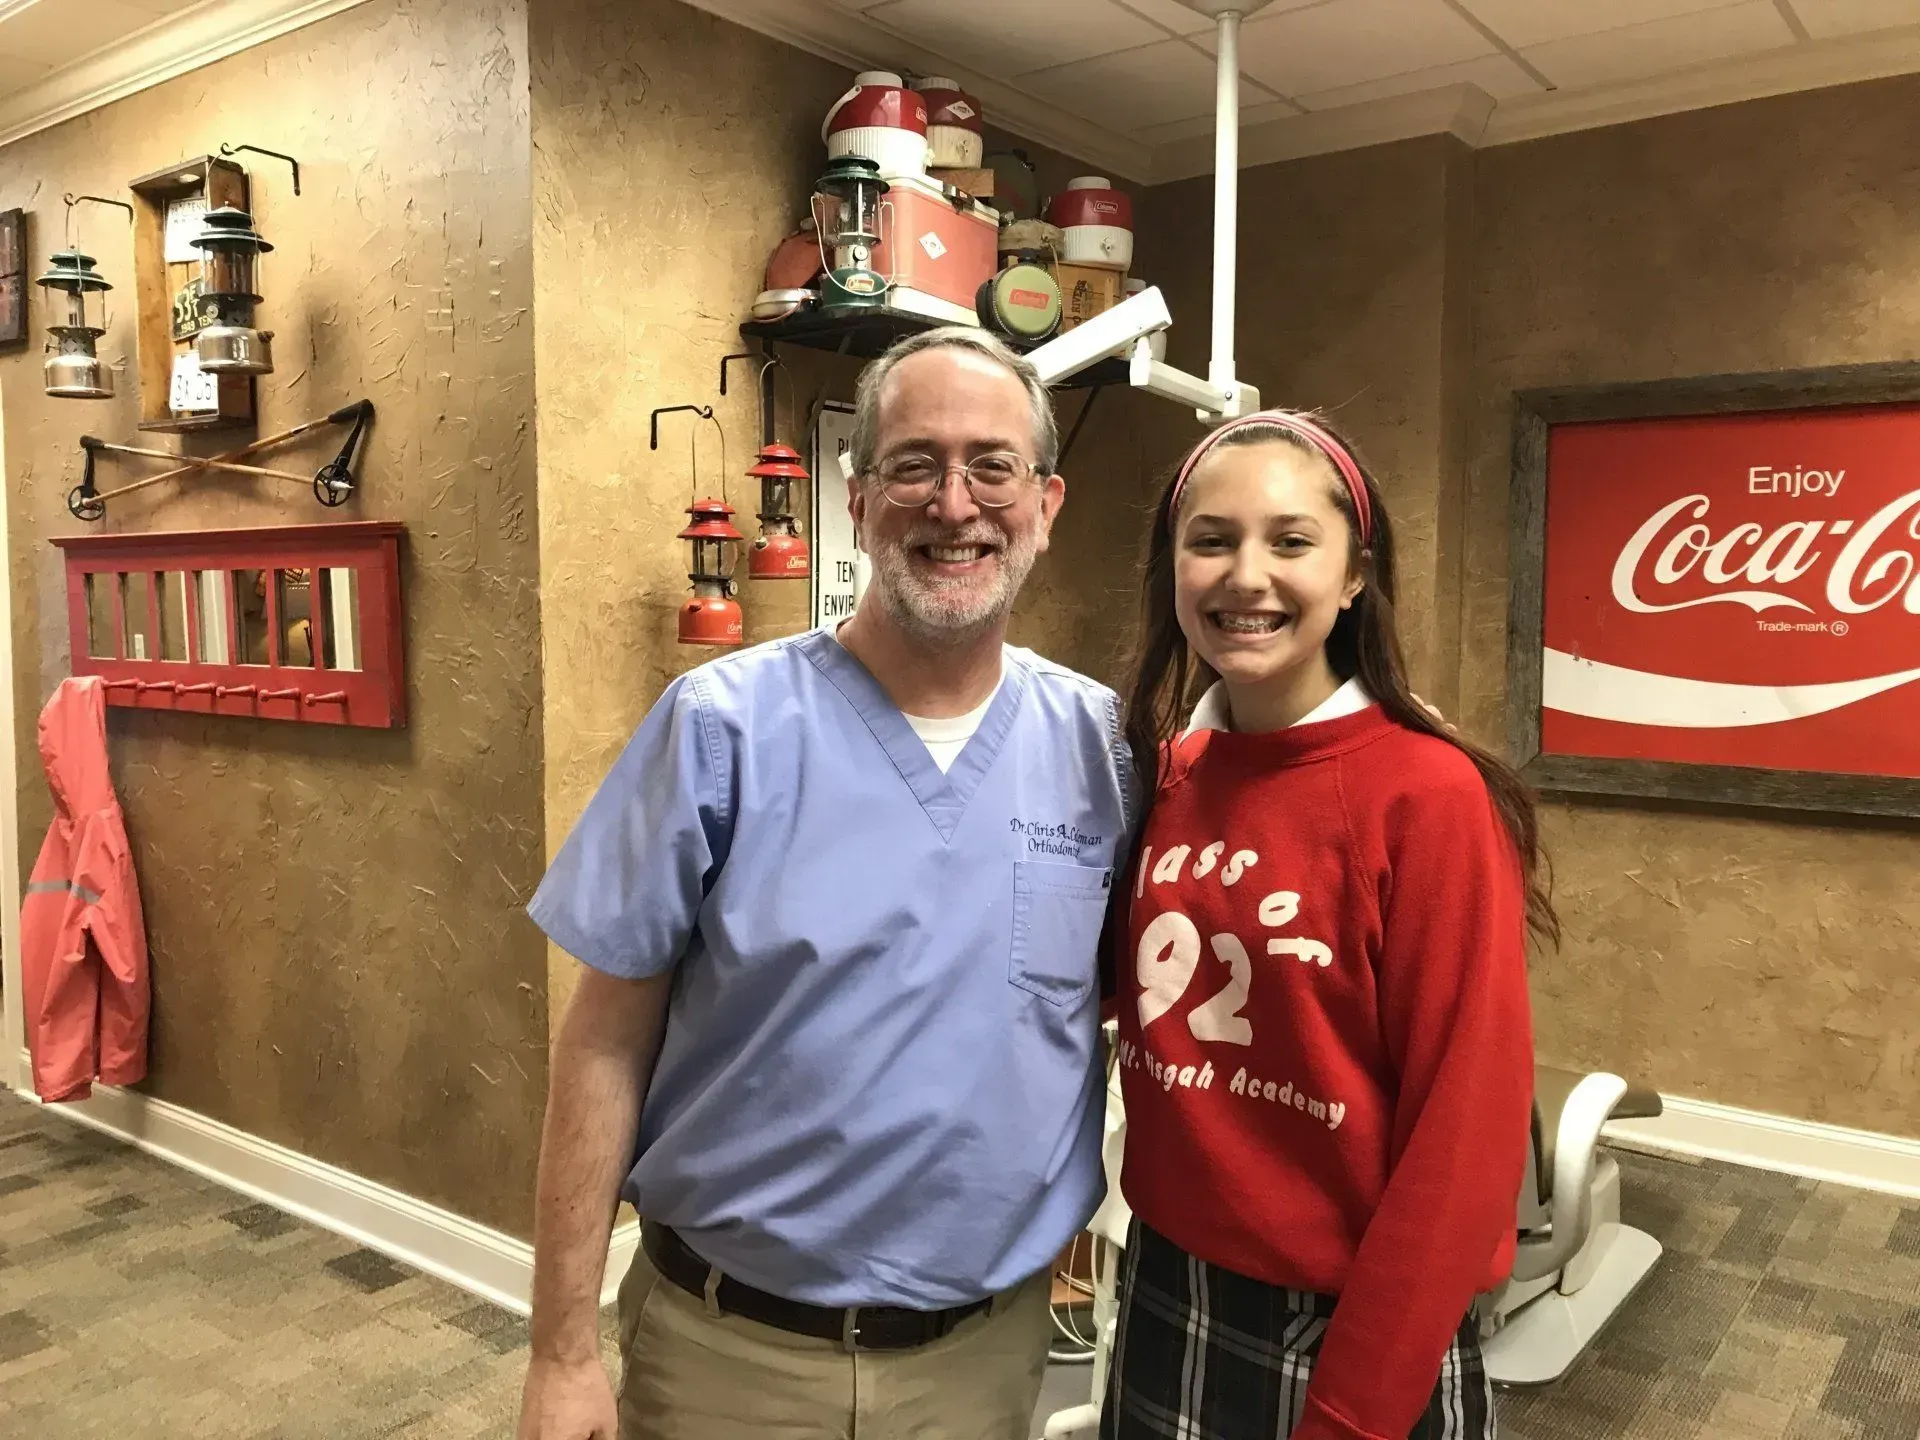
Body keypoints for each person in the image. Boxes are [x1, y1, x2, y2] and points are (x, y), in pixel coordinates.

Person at [515, 327, 1134, 1440]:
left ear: (1046, 503)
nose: (955, 504)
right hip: (733, 1360)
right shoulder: (721, 731)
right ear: (858, 499)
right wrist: (560, 1351)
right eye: (914, 464)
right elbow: (603, 1041)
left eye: (992, 466)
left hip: (985, 1359)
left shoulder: (1102, 749)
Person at [1102, 412, 1553, 1440]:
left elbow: (1466, 1137)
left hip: (1349, 1323)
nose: (1244, 576)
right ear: (1172, 569)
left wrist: (1356, 1411)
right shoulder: (1166, 774)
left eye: (1291, 541)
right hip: (1168, 1281)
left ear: (1355, 575)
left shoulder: (1428, 796)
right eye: (1210, 539)